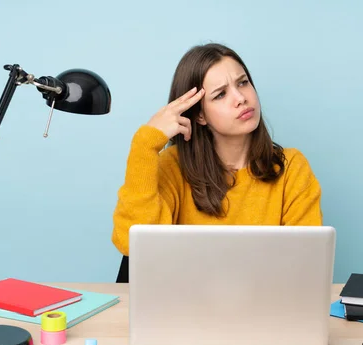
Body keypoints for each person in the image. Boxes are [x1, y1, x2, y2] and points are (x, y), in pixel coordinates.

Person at [112, 42, 323, 256]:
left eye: (243, 83)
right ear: (199, 115)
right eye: (220, 94)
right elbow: (133, 246)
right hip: (186, 290)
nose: (241, 98)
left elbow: (306, 257)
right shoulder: (172, 166)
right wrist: (145, 144)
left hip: (268, 290)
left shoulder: (291, 167)